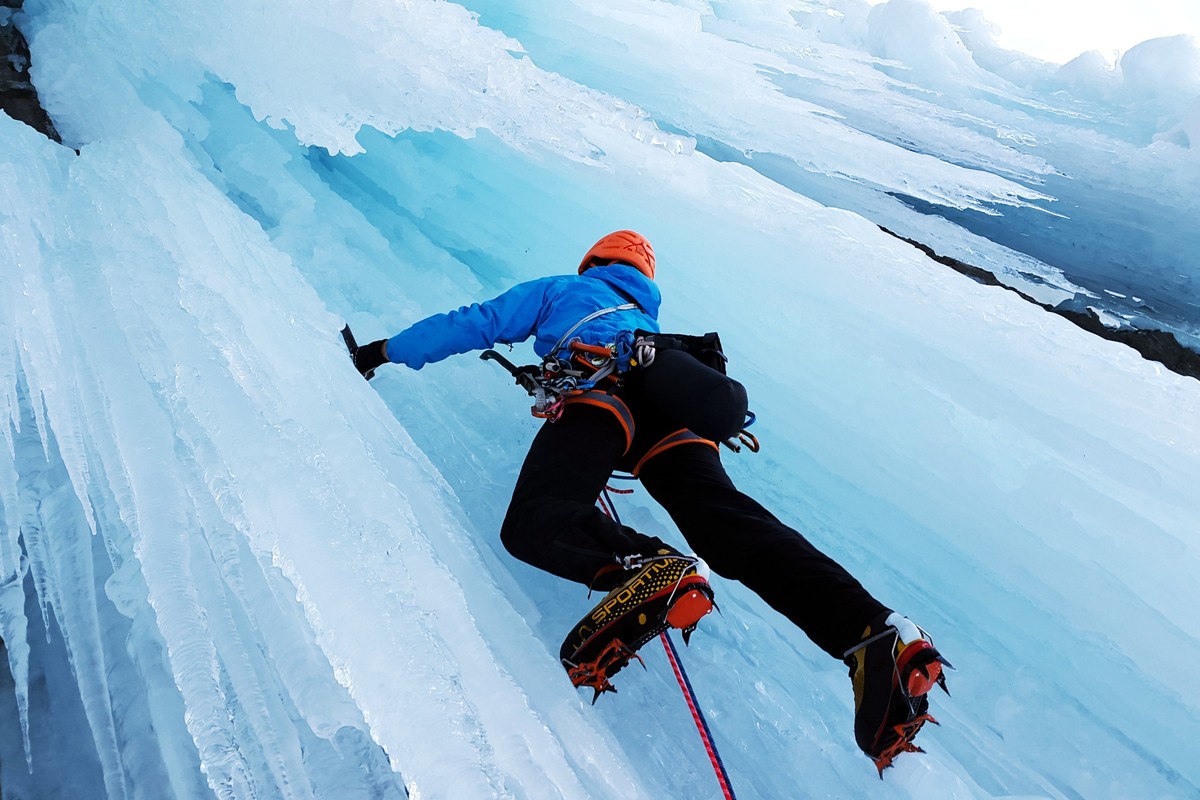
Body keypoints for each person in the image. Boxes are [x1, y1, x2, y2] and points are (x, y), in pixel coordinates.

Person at [349, 230, 950, 773]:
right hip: (677, 417)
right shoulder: (653, 328)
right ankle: (875, 631)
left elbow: (476, 320)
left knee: (537, 520)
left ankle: (650, 565)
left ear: (593, 264)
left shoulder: (565, 290)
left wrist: (381, 352)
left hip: (603, 395)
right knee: (727, 524)